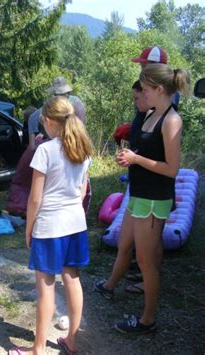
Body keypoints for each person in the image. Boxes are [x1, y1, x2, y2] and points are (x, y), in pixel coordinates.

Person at [95, 64, 190, 334]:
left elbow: (171, 168)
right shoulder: (151, 113)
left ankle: (148, 320)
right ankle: (110, 286)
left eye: (146, 89)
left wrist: (136, 159)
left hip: (153, 199)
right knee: (126, 245)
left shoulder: (171, 120)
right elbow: (146, 151)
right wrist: (130, 159)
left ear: (159, 89)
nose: (143, 94)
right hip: (138, 193)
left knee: (147, 262)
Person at [9, 96, 93, 355]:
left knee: (45, 288)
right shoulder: (84, 148)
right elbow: (81, 193)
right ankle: (71, 340)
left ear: (46, 121)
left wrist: (28, 228)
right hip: (76, 225)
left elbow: (35, 198)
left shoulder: (44, 150)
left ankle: (37, 349)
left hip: (50, 227)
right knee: (72, 280)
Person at [26, 77, 86, 151]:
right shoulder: (54, 104)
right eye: (56, 94)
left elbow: (80, 127)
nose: (57, 96)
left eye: (60, 94)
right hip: (57, 141)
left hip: (72, 142)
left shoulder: (76, 103)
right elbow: (35, 117)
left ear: (67, 93)